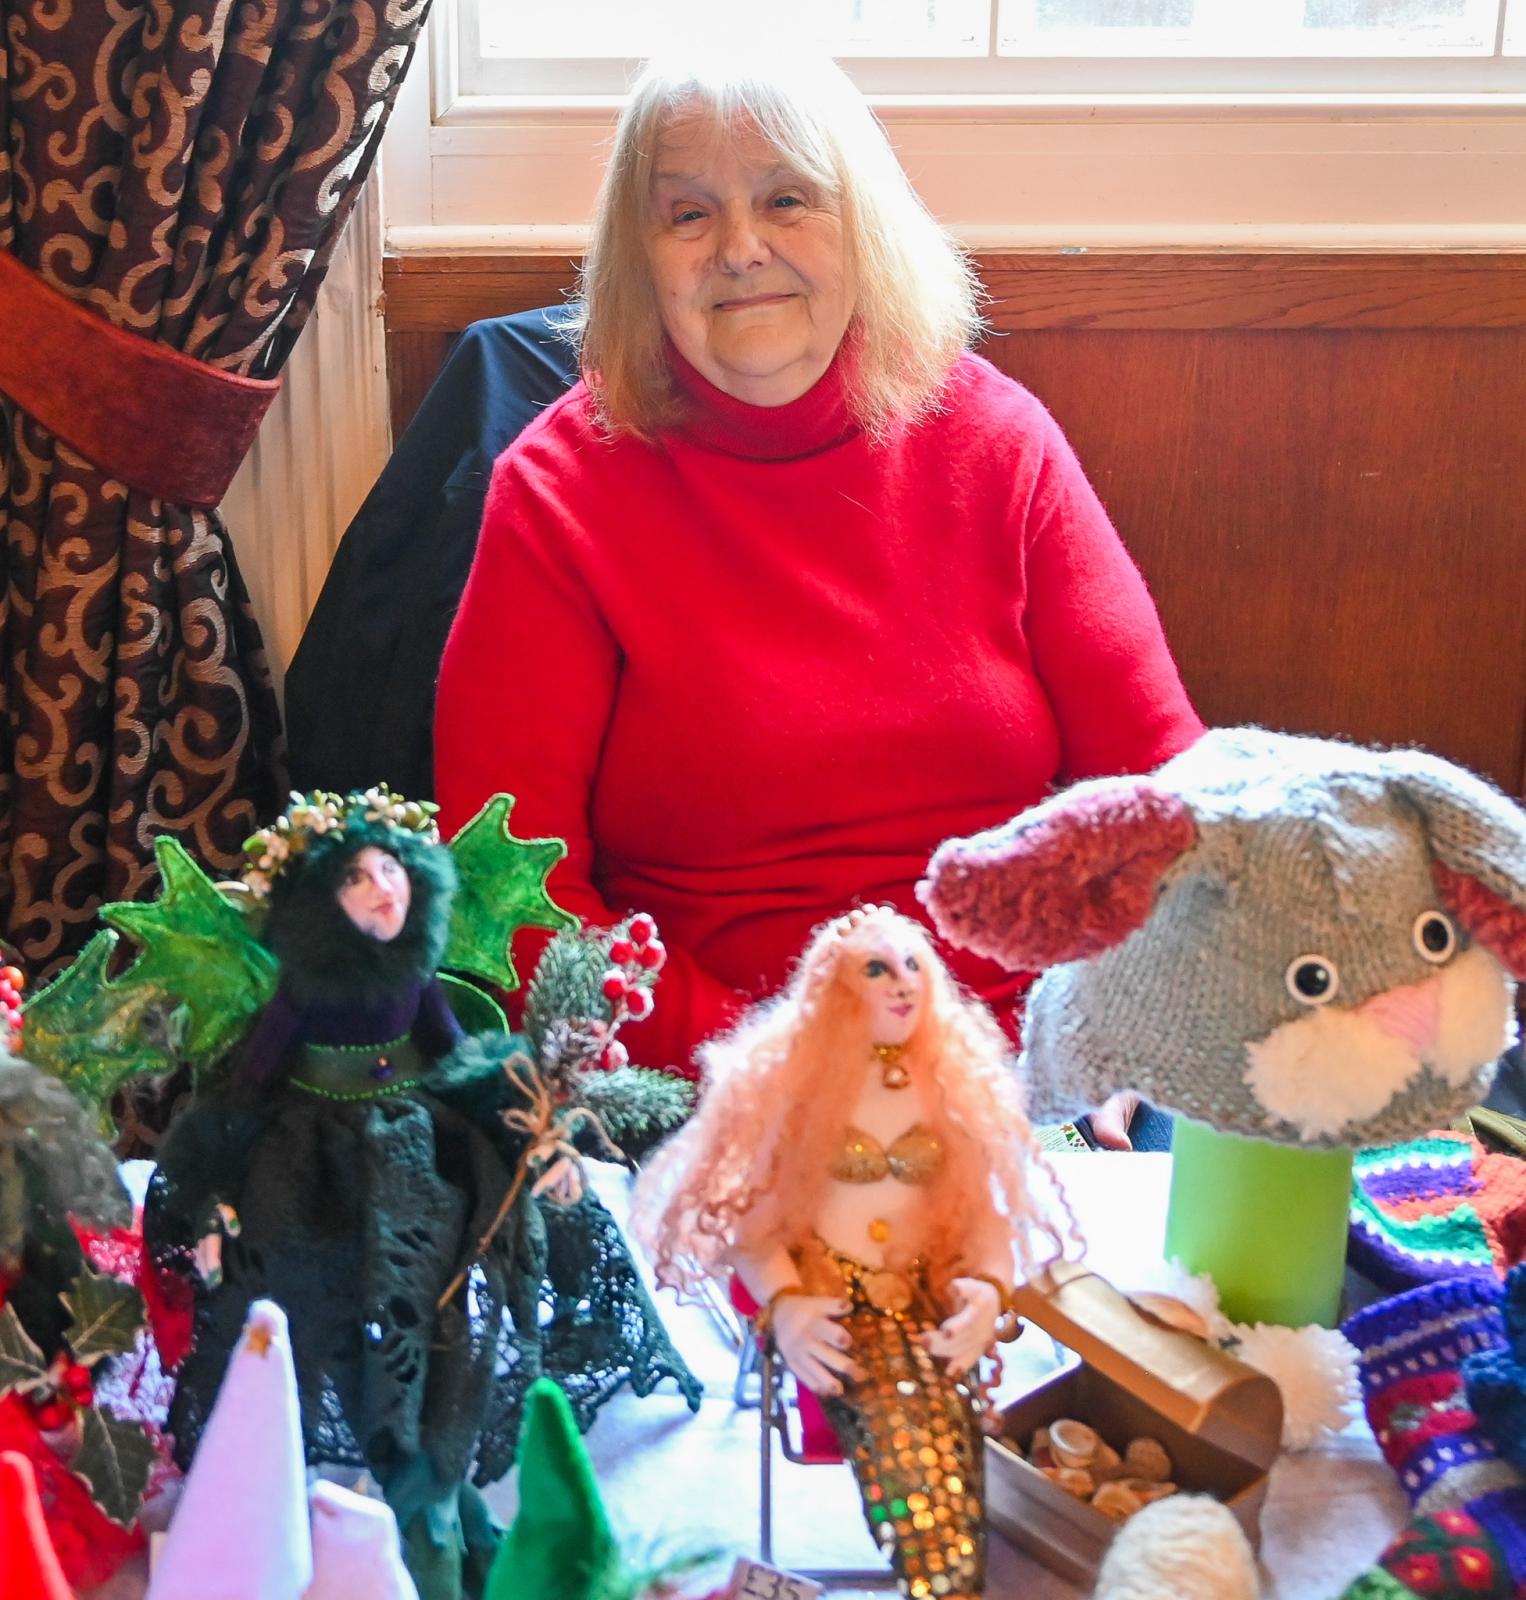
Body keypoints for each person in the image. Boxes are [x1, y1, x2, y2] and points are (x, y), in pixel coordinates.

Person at [433, 48, 1203, 1083]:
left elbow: (1161, 794)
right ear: (638, 258)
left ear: (864, 225)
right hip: (710, 1072)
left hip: (1031, 1053)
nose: (740, 249)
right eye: (687, 214)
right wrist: (766, 1058)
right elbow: (510, 896)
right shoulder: (558, 491)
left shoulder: (998, 440)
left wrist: (1118, 1025)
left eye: (786, 199)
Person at [143, 789, 700, 1600]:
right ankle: (387, 1475)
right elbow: (246, 1090)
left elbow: (461, 1057)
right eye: (356, 878)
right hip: (313, 1163)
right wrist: (214, 1194)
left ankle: (434, 1473)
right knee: (321, 1302)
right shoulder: (302, 991)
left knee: (449, 1291)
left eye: (393, 870)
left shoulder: (416, 975)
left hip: (419, 1152)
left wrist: (532, 1134)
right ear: (316, 904)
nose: (383, 888)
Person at [633, 905, 1071, 1599]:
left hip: (926, 1293)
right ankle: (943, 1576)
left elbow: (985, 1217)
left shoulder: (950, 1084)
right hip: (832, 1299)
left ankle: (950, 1574)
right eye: (877, 968)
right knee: (906, 1462)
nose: (902, 982)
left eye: (912, 965)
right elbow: (754, 1228)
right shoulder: (794, 1091)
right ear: (835, 989)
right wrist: (786, 1304)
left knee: (950, 1446)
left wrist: (989, 1288)